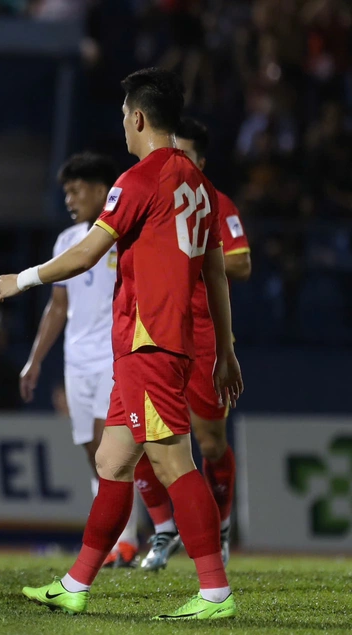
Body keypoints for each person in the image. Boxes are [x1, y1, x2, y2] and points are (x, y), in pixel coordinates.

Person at [0, 68, 243, 620]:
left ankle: (214, 590)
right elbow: (215, 275)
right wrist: (224, 352)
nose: (123, 129)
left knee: (176, 464)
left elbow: (85, 254)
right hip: (163, 342)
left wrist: (23, 280)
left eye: (123, 119)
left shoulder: (137, 181)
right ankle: (76, 582)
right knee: (111, 463)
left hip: (148, 341)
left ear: (137, 117)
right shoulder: (200, 187)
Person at [135, 117, 252, 570]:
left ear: (200, 160)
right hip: (155, 330)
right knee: (142, 436)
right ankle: (164, 531)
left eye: (183, 153)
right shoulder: (152, 192)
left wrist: (195, 259)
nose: (174, 159)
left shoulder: (216, 202)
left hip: (202, 335)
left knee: (209, 442)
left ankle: (220, 530)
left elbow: (240, 264)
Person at [19, 152, 141, 567]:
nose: (69, 200)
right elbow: (57, 307)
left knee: (116, 452)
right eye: (66, 192)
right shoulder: (66, 242)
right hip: (77, 362)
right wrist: (35, 360)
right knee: (93, 452)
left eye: (76, 191)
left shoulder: (124, 235)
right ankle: (119, 537)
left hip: (115, 356)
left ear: (101, 190)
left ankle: (126, 540)